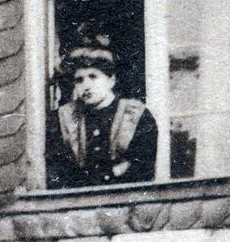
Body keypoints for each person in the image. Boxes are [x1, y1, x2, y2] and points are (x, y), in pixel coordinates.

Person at [45, 29, 158, 190]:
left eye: (93, 77)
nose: (86, 86)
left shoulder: (137, 115)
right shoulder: (63, 119)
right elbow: (59, 173)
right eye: (79, 80)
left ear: (111, 80)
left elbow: (142, 169)